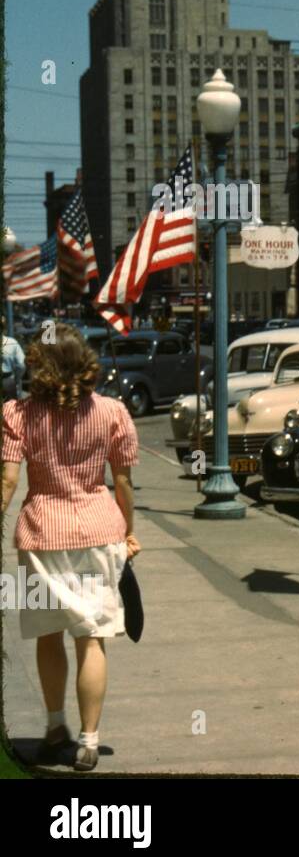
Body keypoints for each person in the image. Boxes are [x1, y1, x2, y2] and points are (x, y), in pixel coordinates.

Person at [1, 324, 140, 772]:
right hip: (98, 532)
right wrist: (128, 531)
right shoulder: (113, 412)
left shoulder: (18, 414)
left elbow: (7, 480)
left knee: (48, 634)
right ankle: (89, 741)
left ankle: (55, 725)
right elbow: (122, 482)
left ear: (38, 365)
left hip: (41, 533)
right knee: (91, 637)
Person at [1, 316, 25, 398]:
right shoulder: (12, 342)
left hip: (8, 380)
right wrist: (16, 379)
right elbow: (21, 365)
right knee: (11, 408)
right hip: (8, 381)